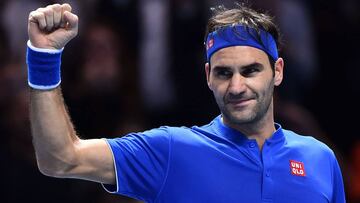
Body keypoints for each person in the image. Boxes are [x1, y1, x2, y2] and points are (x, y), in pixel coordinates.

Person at [26, 3, 346, 203]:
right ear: (208, 76)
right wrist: (43, 58)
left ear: (277, 72)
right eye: (224, 73)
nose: (236, 86)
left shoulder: (320, 159)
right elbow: (60, 159)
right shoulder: (170, 150)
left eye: (250, 71)